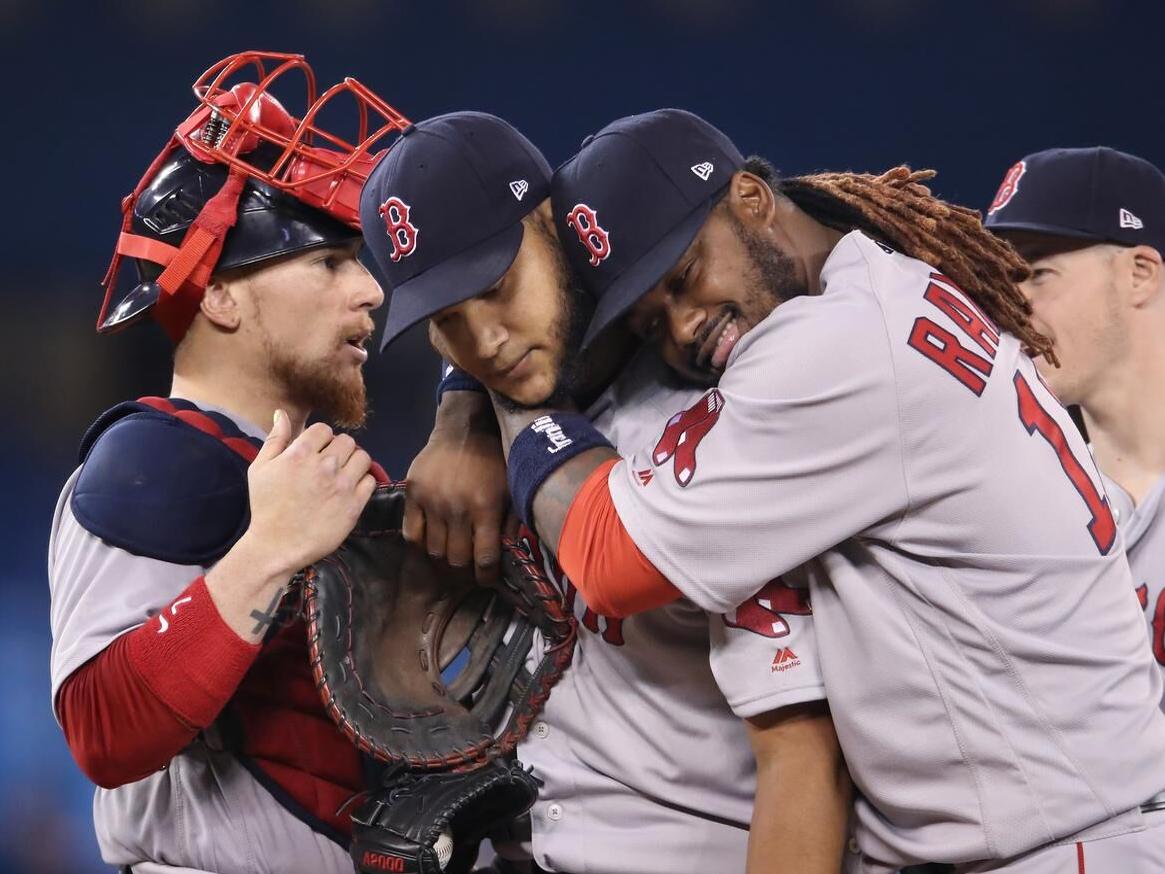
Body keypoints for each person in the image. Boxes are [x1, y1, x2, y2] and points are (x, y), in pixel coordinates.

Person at [486, 109, 1165, 873]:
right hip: (1060, 826)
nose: (682, 328)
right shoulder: (888, 284)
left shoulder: (830, 345)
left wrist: (515, 401)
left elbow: (608, 558)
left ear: (749, 199)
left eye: (682, 278)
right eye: (651, 325)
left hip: (1061, 841)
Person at [359, 111, 847, 874]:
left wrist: (484, 411)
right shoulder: (509, 396)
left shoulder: (712, 421)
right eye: (447, 320)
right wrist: (467, 408)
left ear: (553, 220)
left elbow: (805, 755)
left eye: (496, 286)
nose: (484, 339)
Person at [48, 52, 404, 873]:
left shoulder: (332, 476)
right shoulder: (154, 457)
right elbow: (104, 732)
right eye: (328, 261)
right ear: (216, 292)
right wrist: (266, 552)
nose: (369, 290)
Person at [984, 147, 1165, 696]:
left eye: (1038, 272)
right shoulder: (1031, 511)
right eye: (1002, 280)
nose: (1008, 307)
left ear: (1140, 274)